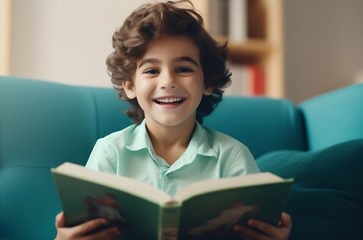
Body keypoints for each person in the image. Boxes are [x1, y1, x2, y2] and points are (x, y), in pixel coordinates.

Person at [55, 1, 292, 239]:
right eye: (151, 71)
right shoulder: (109, 152)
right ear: (130, 86)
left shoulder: (232, 156)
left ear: (207, 82)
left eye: (183, 69)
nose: (168, 81)